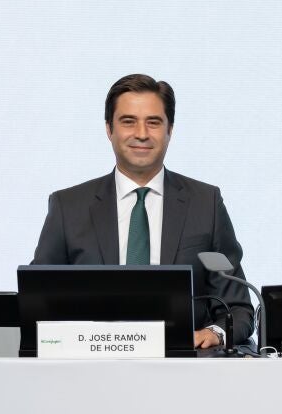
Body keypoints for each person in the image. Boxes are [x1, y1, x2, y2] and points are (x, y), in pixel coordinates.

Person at [31, 74, 254, 349]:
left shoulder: (205, 204)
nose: (141, 133)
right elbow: (37, 304)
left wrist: (215, 333)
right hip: (91, 363)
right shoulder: (68, 207)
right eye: (128, 121)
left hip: (183, 365)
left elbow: (238, 309)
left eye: (154, 122)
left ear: (170, 130)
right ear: (109, 129)